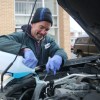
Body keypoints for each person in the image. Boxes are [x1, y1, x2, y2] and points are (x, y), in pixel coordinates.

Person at [0, 7, 67, 75]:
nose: (43, 32)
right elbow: (1, 40)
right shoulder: (21, 36)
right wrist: (24, 49)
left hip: (40, 79)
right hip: (21, 80)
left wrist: (59, 56)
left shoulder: (48, 40)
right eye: (41, 27)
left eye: (47, 29)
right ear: (32, 24)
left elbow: (60, 51)